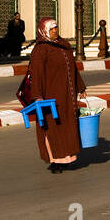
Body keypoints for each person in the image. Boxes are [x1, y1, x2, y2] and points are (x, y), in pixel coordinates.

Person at [25, 18, 87, 173]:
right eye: (51, 28)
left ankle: (66, 158)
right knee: (52, 127)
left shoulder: (63, 45)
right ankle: (55, 161)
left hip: (66, 94)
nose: (55, 30)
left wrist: (81, 87)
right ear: (44, 30)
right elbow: (36, 75)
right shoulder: (41, 49)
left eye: (56, 27)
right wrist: (38, 96)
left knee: (66, 125)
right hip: (49, 96)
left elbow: (73, 68)